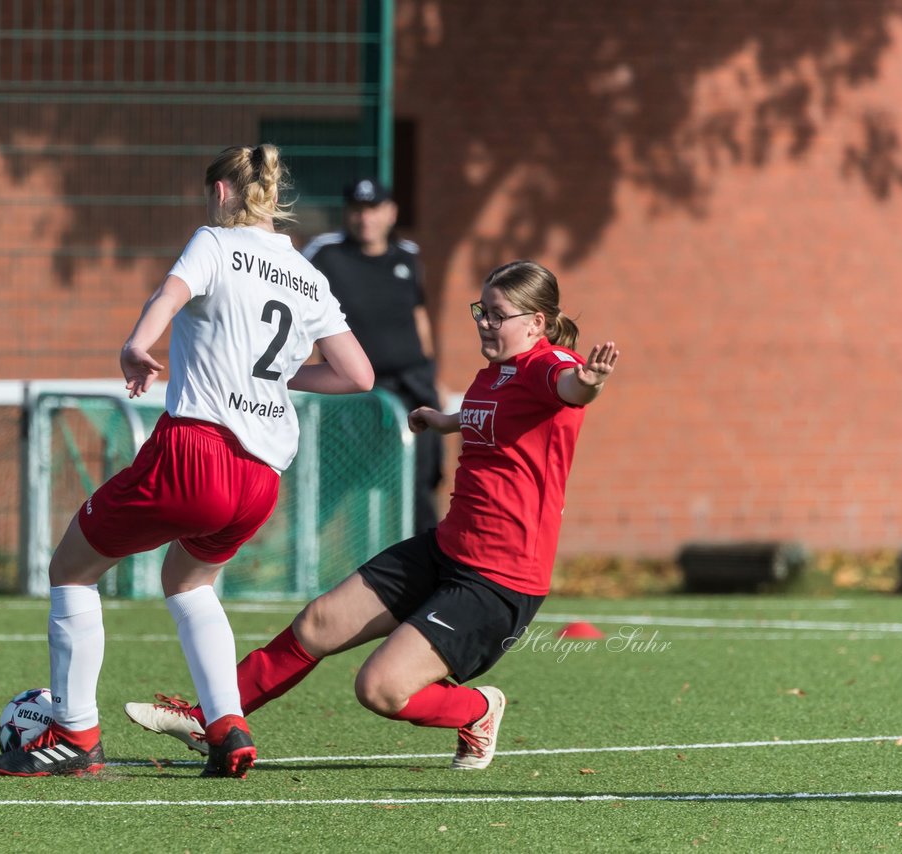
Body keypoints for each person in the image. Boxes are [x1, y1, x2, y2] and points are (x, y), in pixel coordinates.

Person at [124, 260, 619, 770]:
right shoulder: (496, 373)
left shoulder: (549, 363)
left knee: (379, 688)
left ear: (536, 322)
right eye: (481, 311)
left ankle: (478, 709)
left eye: (497, 315)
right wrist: (445, 422)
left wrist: (590, 382)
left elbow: (570, 389)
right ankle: (213, 721)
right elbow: (497, 416)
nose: (484, 323)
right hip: (447, 547)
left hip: (498, 580)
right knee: (317, 623)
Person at [0, 144, 374, 780]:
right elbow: (358, 375)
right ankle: (227, 728)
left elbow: (170, 295)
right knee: (189, 583)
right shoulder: (308, 275)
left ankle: (76, 734)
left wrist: (137, 345)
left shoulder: (215, 242)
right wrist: (278, 381)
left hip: (197, 451)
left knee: (71, 568)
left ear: (222, 192)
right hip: (261, 477)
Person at [302, 177, 443, 533]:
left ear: (391, 212)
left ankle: (425, 566)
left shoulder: (408, 256)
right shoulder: (324, 254)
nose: (366, 219)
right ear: (347, 214)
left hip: (412, 387)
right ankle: (305, 560)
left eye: (374, 209)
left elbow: (419, 317)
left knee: (419, 483)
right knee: (332, 484)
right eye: (357, 210)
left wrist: (433, 375)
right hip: (353, 392)